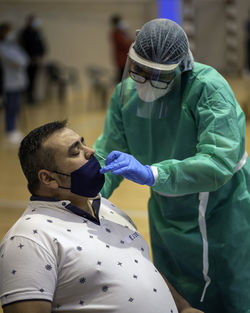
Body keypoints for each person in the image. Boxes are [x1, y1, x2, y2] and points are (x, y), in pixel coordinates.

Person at [94, 18, 250, 313]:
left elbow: (218, 161)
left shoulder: (207, 88)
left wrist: (154, 172)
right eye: (139, 70)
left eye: (158, 76)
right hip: (166, 209)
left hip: (222, 209)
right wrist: (90, 189)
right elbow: (108, 151)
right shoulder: (125, 95)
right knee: (175, 287)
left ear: (182, 67)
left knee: (230, 286)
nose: (145, 81)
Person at [0, 120, 203, 313]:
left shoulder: (106, 207)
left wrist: (183, 307)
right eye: (75, 151)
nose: (91, 152)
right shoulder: (28, 239)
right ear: (48, 178)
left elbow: (140, 265)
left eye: (84, 143)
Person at [0, 22, 29, 144]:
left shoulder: (14, 46)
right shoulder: (2, 47)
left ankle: (15, 128)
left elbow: (25, 59)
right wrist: (21, 60)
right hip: (10, 82)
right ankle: (10, 130)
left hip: (19, 81)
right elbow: (19, 61)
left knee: (17, 106)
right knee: (11, 106)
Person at [19, 14, 47, 104]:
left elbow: (42, 45)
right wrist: (30, 58)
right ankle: (27, 98)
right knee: (28, 80)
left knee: (34, 80)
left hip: (37, 60)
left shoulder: (37, 32)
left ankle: (32, 97)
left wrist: (40, 56)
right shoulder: (25, 32)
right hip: (29, 61)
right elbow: (24, 47)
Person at [109, 14, 134, 83]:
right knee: (121, 79)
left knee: (126, 78)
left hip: (126, 60)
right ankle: (120, 92)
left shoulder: (123, 33)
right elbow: (126, 44)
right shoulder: (115, 33)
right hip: (121, 61)